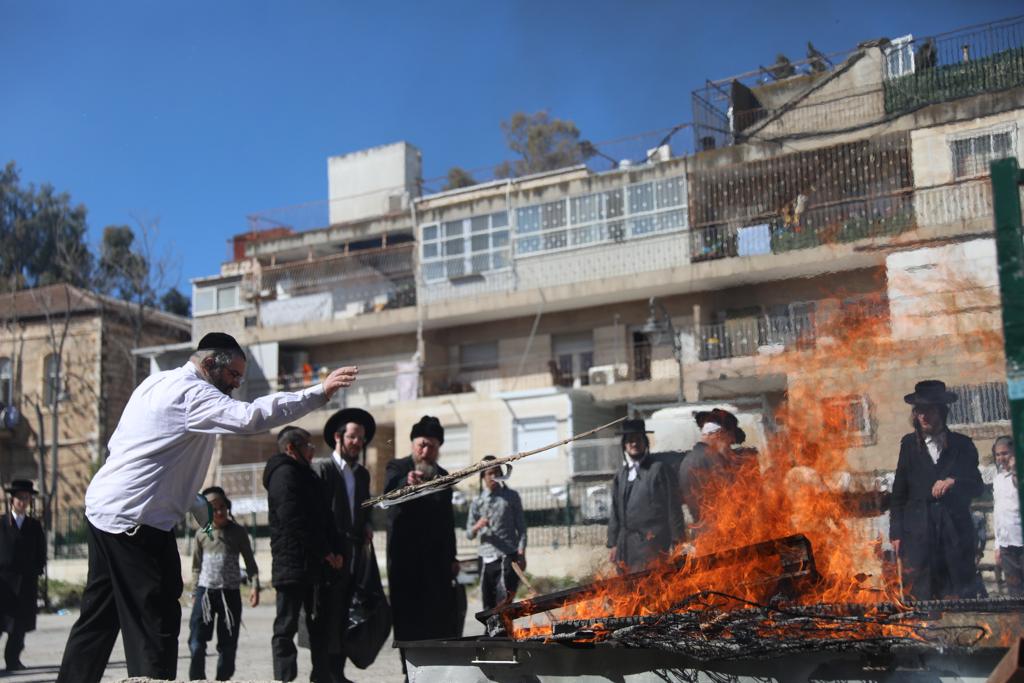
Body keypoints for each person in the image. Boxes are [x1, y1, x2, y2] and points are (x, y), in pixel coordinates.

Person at [56, 332, 358, 683]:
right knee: (156, 619)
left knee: (98, 619)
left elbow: (128, 447)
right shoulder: (193, 392)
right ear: (210, 363)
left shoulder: (154, 383)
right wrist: (317, 393)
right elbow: (250, 418)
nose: (235, 386)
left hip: (104, 511)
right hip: (135, 523)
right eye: (232, 377)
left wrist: (190, 499)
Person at [890, 380, 985, 600]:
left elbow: (977, 486)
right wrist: (896, 533)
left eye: (929, 410)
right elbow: (899, 493)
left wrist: (954, 481)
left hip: (955, 534)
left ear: (942, 411)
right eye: (919, 410)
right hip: (919, 535)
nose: (923, 416)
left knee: (958, 594)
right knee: (923, 595)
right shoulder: (908, 445)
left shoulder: (962, 445)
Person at [265, 426, 345, 683]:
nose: (312, 450)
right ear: (291, 448)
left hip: (315, 565)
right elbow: (294, 520)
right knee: (286, 626)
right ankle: (285, 678)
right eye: (307, 445)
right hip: (292, 564)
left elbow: (324, 517)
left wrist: (335, 551)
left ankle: (321, 677)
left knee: (319, 626)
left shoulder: (308, 476)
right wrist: (324, 552)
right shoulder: (283, 475)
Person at [384, 416, 459, 669]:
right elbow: (389, 492)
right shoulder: (397, 467)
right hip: (405, 564)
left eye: (432, 447)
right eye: (422, 445)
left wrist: (452, 558)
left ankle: (434, 674)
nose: (426, 452)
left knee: (437, 620)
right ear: (413, 444)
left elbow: (448, 523)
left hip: (436, 565)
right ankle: (410, 672)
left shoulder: (444, 477)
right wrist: (406, 484)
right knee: (407, 621)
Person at [315, 408, 374, 683]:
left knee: (346, 612)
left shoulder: (362, 474)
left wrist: (367, 526)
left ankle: (337, 673)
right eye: (352, 437)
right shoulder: (324, 470)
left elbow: (363, 510)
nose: (357, 442)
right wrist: (328, 550)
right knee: (327, 613)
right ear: (338, 437)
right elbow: (320, 513)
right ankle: (324, 673)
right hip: (332, 555)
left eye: (361, 438)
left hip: (353, 554)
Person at [187, 486, 260, 681]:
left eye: (222, 507)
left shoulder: (238, 532)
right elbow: (196, 567)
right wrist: (194, 594)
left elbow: (250, 563)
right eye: (213, 508)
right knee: (196, 641)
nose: (219, 512)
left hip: (230, 594)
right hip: (205, 595)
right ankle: (197, 678)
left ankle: (222, 678)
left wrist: (254, 586)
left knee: (228, 643)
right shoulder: (202, 534)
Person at [607, 419, 685, 572]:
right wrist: (614, 544)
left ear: (645, 442)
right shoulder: (621, 475)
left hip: (652, 546)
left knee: (649, 589)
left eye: (637, 439)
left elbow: (673, 507)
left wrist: (678, 541)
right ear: (624, 445)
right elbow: (615, 513)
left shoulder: (658, 470)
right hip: (625, 548)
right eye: (630, 440)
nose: (634, 444)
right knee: (626, 591)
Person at [677, 408, 755, 533]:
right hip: (720, 535)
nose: (729, 446)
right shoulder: (713, 459)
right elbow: (732, 499)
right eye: (729, 441)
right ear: (719, 434)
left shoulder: (689, 458)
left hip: (702, 534)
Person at [466, 455, 527, 609]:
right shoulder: (477, 501)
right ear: (483, 477)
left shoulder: (511, 497)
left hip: (507, 556)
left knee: (504, 604)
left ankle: (505, 633)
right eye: (489, 473)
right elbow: (469, 534)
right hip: (485, 558)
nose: (493, 477)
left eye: (497, 472)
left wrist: (521, 553)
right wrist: (477, 526)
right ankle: (489, 633)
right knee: (488, 606)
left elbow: (522, 528)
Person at [0, 480, 46, 672]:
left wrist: (35, 571)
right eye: (19, 498)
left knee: (19, 626)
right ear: (12, 500)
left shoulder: (34, 526)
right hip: (3, 582)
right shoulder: (1, 523)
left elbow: (41, 553)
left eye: (26, 498)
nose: (23, 502)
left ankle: (13, 660)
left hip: (25, 582)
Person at [992, 435, 1023, 595]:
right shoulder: (998, 479)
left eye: (1005, 453)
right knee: (1015, 592)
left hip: (1021, 542)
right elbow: (998, 513)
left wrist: (1016, 471)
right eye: (998, 454)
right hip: (1007, 546)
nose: (1001, 458)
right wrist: (997, 546)